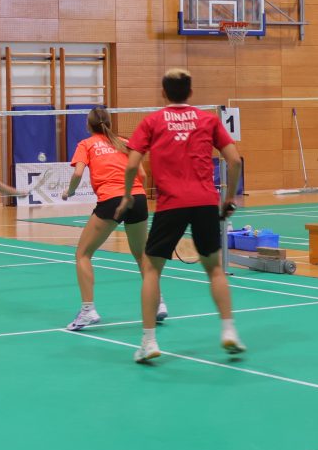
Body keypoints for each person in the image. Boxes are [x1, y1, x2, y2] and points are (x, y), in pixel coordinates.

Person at [117, 68, 244, 364]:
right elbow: (234, 160)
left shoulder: (151, 121)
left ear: (163, 93)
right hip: (204, 202)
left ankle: (148, 341)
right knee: (215, 270)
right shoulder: (208, 120)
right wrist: (229, 199)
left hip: (171, 204)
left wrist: (126, 196)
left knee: (151, 269)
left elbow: (132, 165)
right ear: (190, 92)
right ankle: (229, 330)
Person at [60, 107, 160, 332]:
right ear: (110, 123)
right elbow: (142, 175)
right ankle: (158, 303)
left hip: (112, 200)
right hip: (137, 198)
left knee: (83, 254)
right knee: (141, 254)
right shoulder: (125, 142)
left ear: (89, 125)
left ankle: (88, 310)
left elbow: (78, 173)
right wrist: (137, 198)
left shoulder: (86, 144)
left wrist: (70, 192)